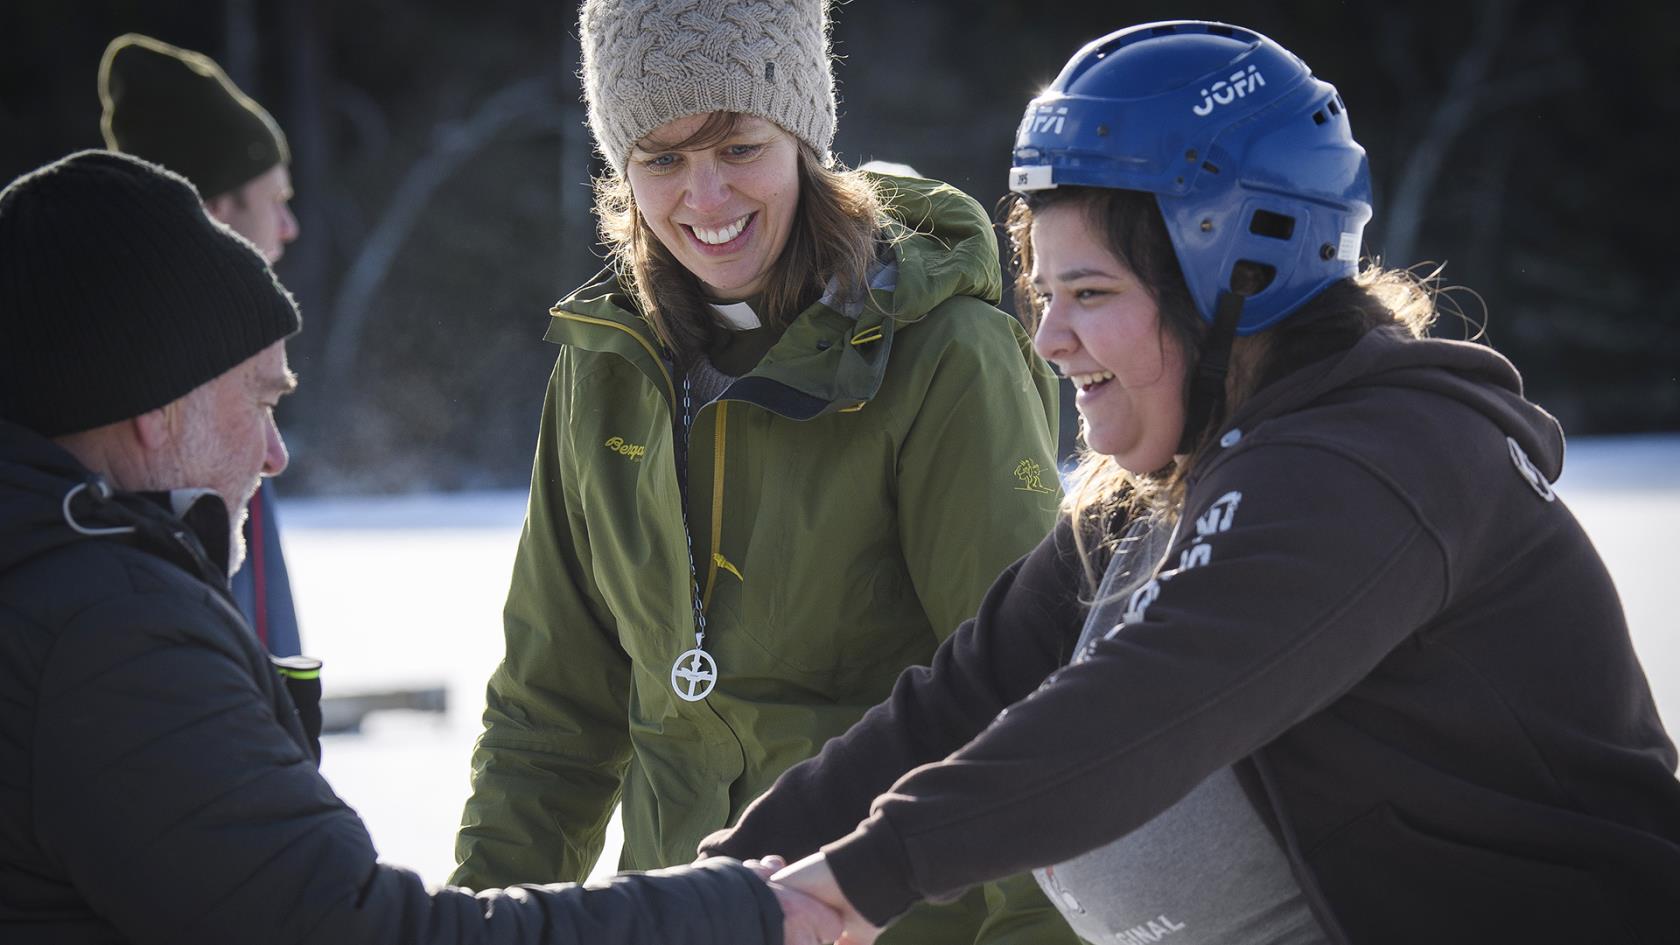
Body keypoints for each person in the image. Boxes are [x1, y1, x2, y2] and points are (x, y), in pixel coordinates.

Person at [700, 20, 1680, 944]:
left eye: (1091, 294)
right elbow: (959, 700)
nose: (1048, 339)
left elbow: (1143, 711)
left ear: (1242, 282)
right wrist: (723, 883)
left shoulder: (1378, 466)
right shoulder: (1152, 496)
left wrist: (859, 882)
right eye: (1045, 292)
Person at [0, 149, 842, 945]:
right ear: (154, 404)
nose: (274, 453)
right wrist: (729, 912)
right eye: (257, 403)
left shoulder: (54, 591)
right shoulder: (110, 639)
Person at [451, 2, 1073, 943]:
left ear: (803, 140)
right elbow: (550, 719)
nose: (704, 199)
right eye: (662, 159)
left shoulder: (946, 359)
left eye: (737, 146)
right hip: (679, 918)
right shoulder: (603, 369)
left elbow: (1030, 712)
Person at [98, 32, 305, 657]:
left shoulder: (221, 356)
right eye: (275, 201)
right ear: (216, 210)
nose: (290, 228)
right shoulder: (158, 382)